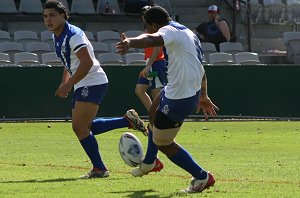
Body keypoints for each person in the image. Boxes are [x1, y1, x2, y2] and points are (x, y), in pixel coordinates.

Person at [116, 6, 219, 193]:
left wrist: (130, 42)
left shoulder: (167, 31)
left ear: (155, 25)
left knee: (163, 142)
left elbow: (150, 39)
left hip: (179, 98)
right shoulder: (186, 31)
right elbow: (200, 67)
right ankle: (150, 161)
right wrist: (203, 94)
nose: (147, 30)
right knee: (153, 114)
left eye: (148, 27)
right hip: (179, 91)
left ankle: (202, 176)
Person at [42, 0, 147, 179]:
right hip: (83, 82)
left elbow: (87, 62)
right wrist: (65, 81)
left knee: (79, 127)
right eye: (45, 16)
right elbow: (69, 62)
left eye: (52, 15)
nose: (48, 20)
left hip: (92, 81)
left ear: (62, 15)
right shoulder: (56, 35)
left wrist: (69, 84)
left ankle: (99, 169)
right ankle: (127, 121)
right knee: (86, 127)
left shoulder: (73, 35)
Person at [135, 5, 167, 112]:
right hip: (151, 63)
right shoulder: (149, 29)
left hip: (156, 63)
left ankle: (164, 115)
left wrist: (148, 66)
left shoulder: (154, 29)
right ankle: (154, 114)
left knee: (156, 91)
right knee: (140, 90)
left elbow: (157, 50)